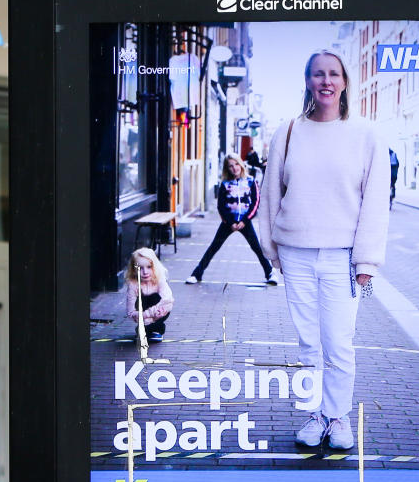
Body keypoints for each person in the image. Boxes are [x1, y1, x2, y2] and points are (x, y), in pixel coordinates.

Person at [255, 49, 390, 451]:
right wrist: (273, 251)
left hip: (342, 256)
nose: (326, 81)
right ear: (308, 81)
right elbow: (271, 193)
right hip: (295, 253)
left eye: (333, 74)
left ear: (345, 81)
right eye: (318, 74)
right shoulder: (289, 130)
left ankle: (339, 416)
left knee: (338, 341)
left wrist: (366, 260)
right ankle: (314, 415)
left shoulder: (365, 135)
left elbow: (375, 201)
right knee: (308, 342)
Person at [185, 153, 275, 285]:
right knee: (214, 246)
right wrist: (230, 222)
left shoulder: (251, 181)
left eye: (236, 164)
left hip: (245, 222)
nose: (234, 168)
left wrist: (245, 220)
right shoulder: (225, 184)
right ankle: (196, 274)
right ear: (227, 169)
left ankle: (270, 274)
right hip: (229, 222)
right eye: (231, 166)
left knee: (256, 247)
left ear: (241, 164)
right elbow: (221, 206)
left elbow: (256, 203)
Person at [123, 247, 174, 342]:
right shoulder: (133, 284)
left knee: (158, 298)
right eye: (140, 268)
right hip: (142, 313)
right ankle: (146, 329)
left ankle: (155, 330)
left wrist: (147, 315)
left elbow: (167, 300)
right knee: (142, 298)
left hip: (158, 312)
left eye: (149, 267)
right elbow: (130, 311)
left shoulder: (159, 279)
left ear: (154, 266)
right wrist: (141, 317)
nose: (145, 272)